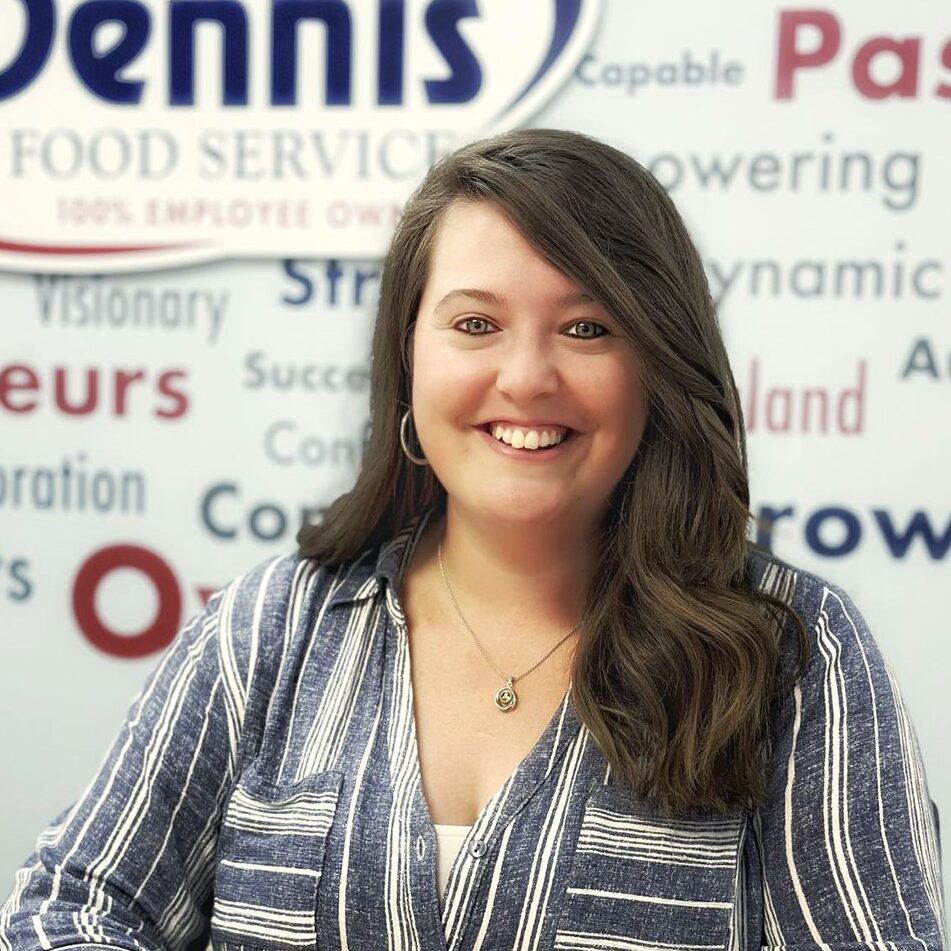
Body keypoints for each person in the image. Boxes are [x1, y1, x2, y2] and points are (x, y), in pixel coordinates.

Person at [0, 129, 944, 951]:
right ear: (408, 358)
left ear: (657, 362)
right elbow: (69, 906)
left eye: (585, 326)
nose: (526, 376)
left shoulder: (791, 652)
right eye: (475, 323)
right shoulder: (271, 629)